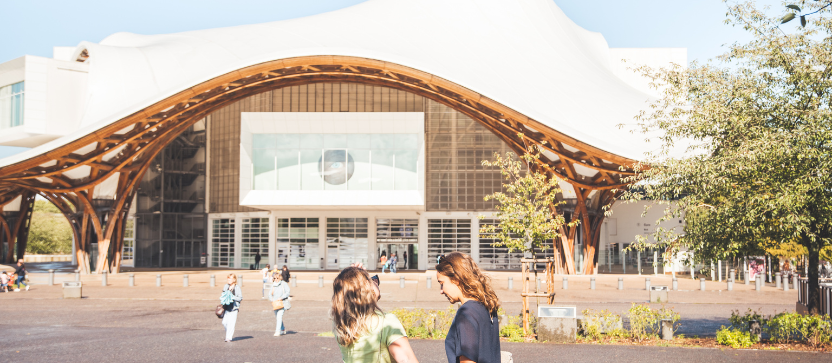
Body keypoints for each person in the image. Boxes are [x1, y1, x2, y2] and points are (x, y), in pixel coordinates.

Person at [331, 266, 418, 363]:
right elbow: (406, 360)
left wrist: (352, 275)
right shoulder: (386, 322)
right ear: (367, 286)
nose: (377, 283)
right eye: (373, 280)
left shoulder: (341, 325)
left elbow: (347, 291)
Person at [435, 252, 501, 363]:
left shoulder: (466, 313)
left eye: (442, 283)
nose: (441, 291)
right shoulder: (487, 306)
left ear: (456, 279)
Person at [221, 274, 243, 342]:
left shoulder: (237, 288)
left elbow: (240, 298)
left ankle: (228, 337)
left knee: (231, 324)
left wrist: (232, 297)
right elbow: (223, 294)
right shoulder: (226, 286)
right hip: (226, 308)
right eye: (228, 278)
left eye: (230, 279)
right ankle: (228, 333)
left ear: (234, 280)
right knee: (224, 322)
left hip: (234, 308)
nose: (228, 280)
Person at [270, 268, 291, 336]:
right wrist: (272, 299)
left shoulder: (283, 284)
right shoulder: (273, 285)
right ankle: (282, 329)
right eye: (275, 278)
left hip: (282, 303)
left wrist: (281, 297)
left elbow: (287, 292)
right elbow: (269, 294)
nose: (276, 279)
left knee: (279, 316)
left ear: (280, 278)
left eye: (277, 278)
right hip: (275, 303)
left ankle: (277, 331)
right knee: (278, 317)